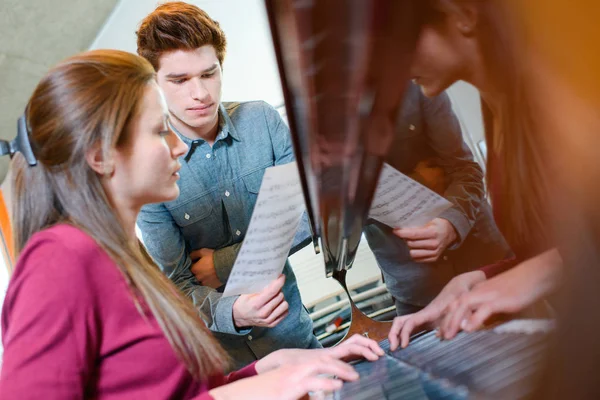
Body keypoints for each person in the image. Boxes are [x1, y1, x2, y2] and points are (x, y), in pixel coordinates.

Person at [0, 49, 385, 400]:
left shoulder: (123, 255)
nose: (179, 146)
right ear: (100, 155)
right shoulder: (59, 259)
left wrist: (265, 370)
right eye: (158, 130)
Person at [134, 2, 318, 368]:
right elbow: (179, 288)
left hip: (297, 342)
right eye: (180, 80)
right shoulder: (147, 168)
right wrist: (233, 310)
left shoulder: (262, 121)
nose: (200, 93)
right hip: (224, 367)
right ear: (153, 82)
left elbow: (313, 214)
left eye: (209, 73)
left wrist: (223, 262)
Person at [388, 0, 563, 350]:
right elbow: (550, 249)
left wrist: (540, 271)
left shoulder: (560, 87)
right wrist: (479, 278)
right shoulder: (497, 108)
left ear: (464, 15)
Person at [364, 81, 510, 316]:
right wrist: (419, 182)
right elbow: (334, 213)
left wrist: (451, 223)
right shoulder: (314, 125)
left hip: (485, 259)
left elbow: (466, 170)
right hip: (415, 290)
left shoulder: (418, 82)